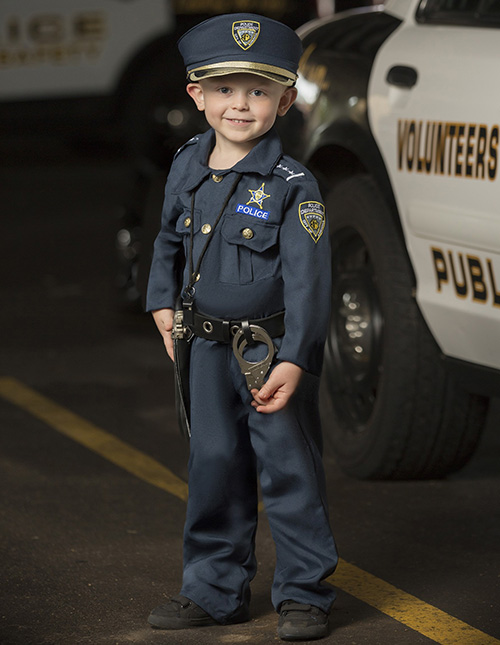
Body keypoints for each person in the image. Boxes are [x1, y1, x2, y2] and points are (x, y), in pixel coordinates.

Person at [145, 13, 338, 641]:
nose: (240, 105)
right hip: (201, 349)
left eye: (258, 91)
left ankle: (304, 594)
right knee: (214, 463)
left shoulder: (293, 186)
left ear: (285, 101)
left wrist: (296, 358)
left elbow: (310, 282)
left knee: (288, 471)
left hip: (268, 350)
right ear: (197, 96)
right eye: (224, 89)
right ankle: (213, 588)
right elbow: (167, 241)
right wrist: (162, 303)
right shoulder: (185, 165)